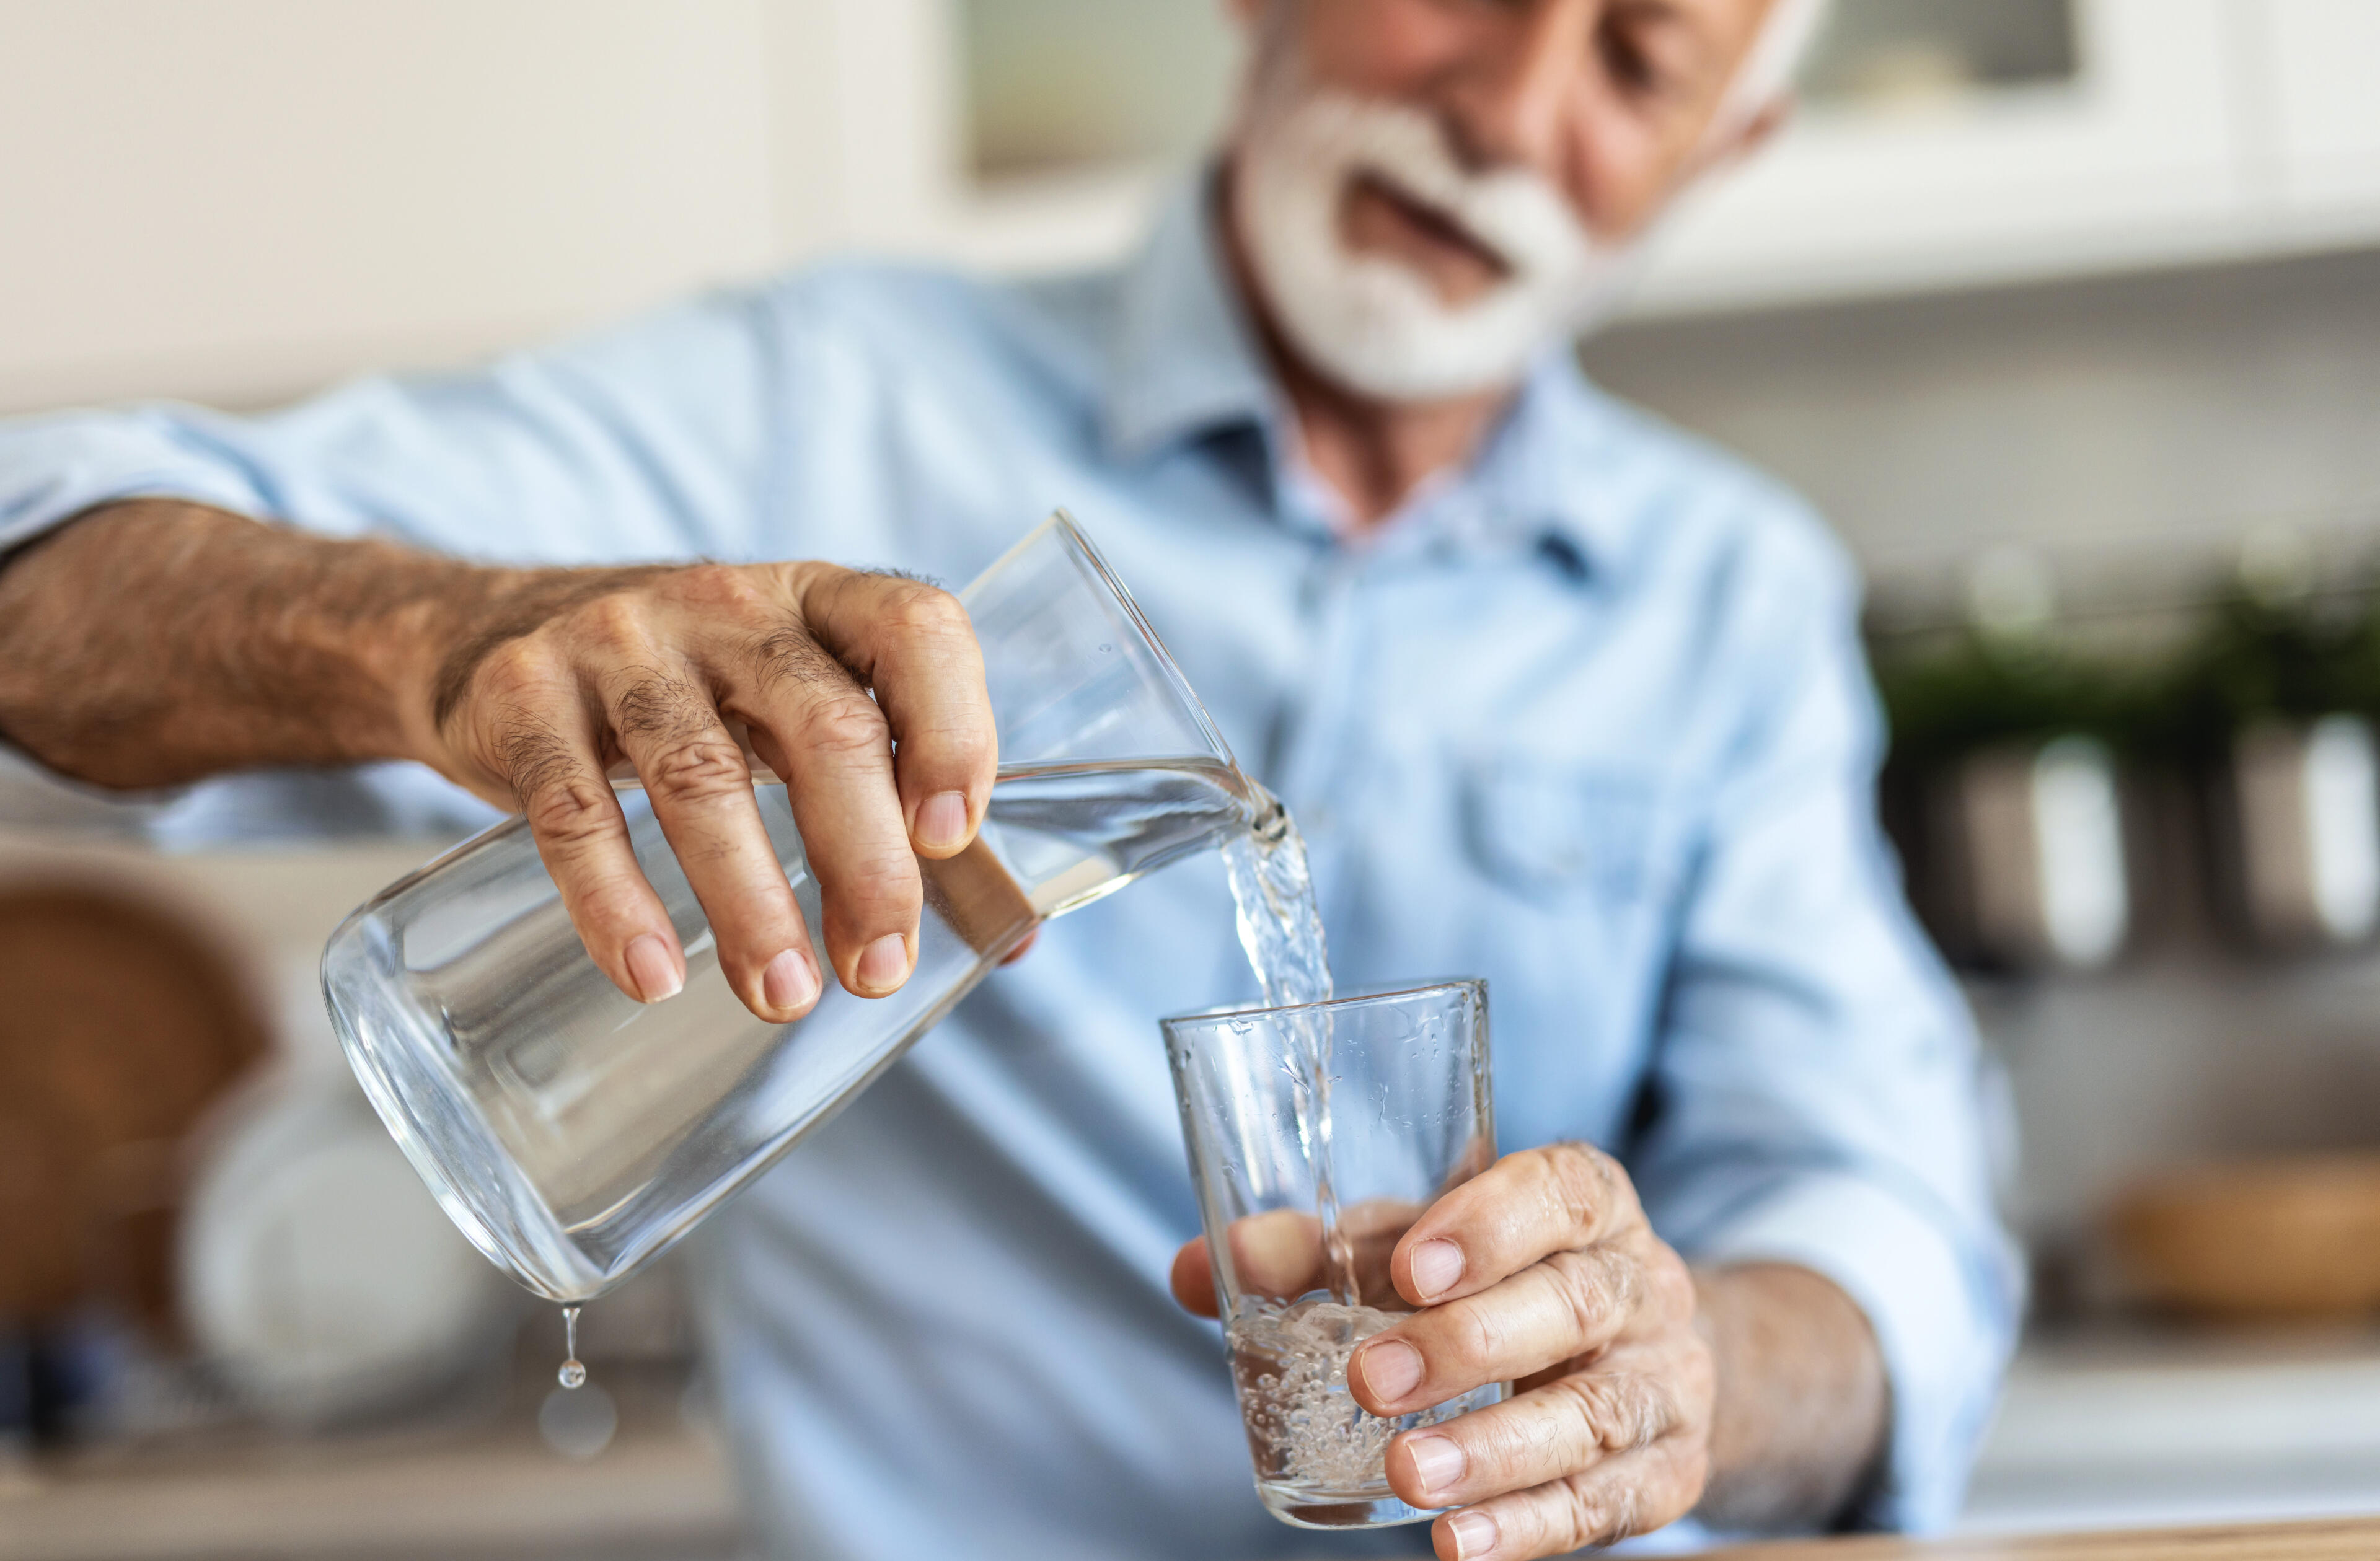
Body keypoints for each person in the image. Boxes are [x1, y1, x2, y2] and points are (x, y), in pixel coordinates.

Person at [0, 0, 2019, 1555]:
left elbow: (1881, 1209)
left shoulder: (1728, 596)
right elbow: (43, 572)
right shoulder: (819, 409)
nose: (1509, 105)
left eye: (1640, 57)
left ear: (1721, 146)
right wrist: (439, 638)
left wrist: (1695, 1367)